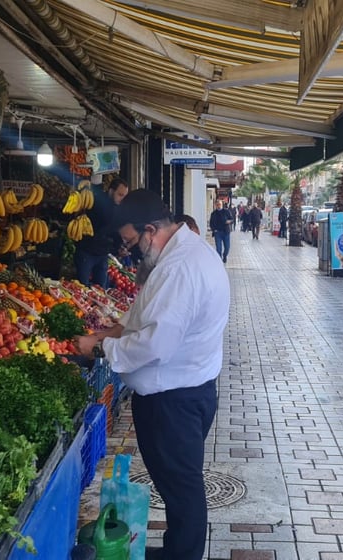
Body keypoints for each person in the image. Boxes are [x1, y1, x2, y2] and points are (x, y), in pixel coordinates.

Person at [75, 190, 228, 560]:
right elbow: (146, 317)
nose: (131, 251)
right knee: (179, 487)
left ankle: (184, 555)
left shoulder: (179, 268)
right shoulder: (185, 253)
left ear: (149, 230)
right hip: (185, 394)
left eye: (131, 241)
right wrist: (108, 332)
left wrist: (99, 349)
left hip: (173, 402)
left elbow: (156, 344)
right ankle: (178, 550)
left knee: (182, 489)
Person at [75, 178, 130, 287]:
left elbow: (114, 231)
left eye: (124, 196)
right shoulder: (97, 202)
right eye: (120, 194)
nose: (122, 199)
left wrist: (119, 247)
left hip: (103, 254)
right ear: (111, 191)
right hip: (87, 252)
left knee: (100, 290)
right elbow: (107, 228)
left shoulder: (118, 208)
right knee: (82, 287)